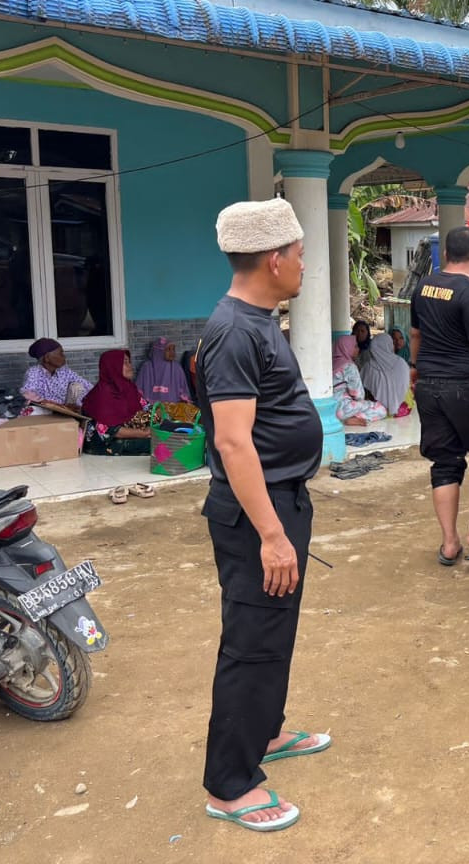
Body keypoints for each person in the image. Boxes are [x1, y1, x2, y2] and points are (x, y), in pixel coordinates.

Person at [195, 198, 330, 833]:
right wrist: (272, 535)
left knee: (274, 632)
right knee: (250, 641)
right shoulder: (234, 331)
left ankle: (263, 734)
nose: (305, 265)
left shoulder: (258, 320)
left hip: (281, 503)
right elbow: (232, 442)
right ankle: (229, 783)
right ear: (274, 260)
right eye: (300, 255)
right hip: (258, 516)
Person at [410, 227, 469, 565]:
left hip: (429, 384)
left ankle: (449, 544)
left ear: (445, 254)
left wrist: (416, 368)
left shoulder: (423, 286)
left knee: (444, 462)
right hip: (465, 385)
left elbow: (415, 332)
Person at [82, 349, 151, 456]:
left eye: (129, 362)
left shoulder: (128, 387)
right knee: (156, 443)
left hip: (130, 432)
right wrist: (143, 433)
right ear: (112, 366)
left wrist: (159, 422)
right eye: (124, 362)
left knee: (170, 430)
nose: (130, 366)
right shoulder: (102, 394)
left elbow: (147, 407)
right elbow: (111, 431)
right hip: (105, 443)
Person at [21, 338, 91, 412]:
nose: (64, 357)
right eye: (61, 353)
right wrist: (53, 404)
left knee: (77, 386)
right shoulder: (34, 373)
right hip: (45, 413)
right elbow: (27, 395)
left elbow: (86, 385)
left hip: (65, 411)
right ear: (47, 358)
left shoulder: (64, 371)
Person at [331, 336, 387, 425]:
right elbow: (359, 395)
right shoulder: (350, 367)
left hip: (329, 409)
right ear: (347, 348)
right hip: (344, 408)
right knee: (381, 409)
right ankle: (353, 419)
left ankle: (349, 417)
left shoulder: (331, 365)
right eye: (355, 346)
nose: (358, 349)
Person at [361, 333, 411, 418]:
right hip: (403, 409)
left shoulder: (368, 367)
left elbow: (363, 392)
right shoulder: (401, 362)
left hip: (377, 413)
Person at [135, 337, 191, 405]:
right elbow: (138, 390)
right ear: (159, 351)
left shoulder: (176, 367)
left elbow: (184, 390)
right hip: (151, 409)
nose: (172, 352)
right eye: (168, 349)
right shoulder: (146, 367)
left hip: (173, 407)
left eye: (173, 349)